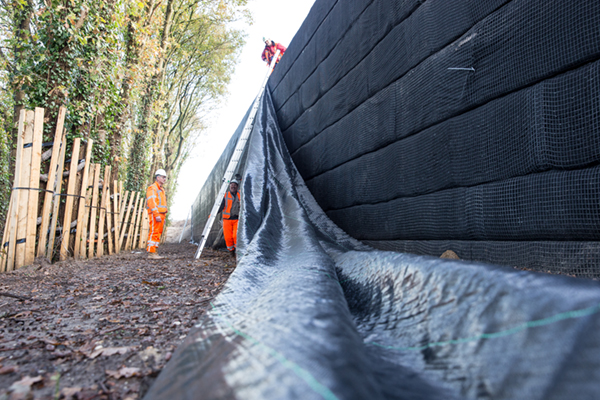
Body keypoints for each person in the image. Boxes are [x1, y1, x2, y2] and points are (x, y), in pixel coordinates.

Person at [146, 169, 168, 259]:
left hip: (161, 214)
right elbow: (152, 202)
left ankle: (154, 251)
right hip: (156, 214)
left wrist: (163, 216)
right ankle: (151, 253)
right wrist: (156, 214)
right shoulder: (153, 188)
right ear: (158, 177)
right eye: (163, 177)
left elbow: (162, 204)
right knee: (154, 232)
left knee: (158, 233)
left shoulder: (161, 189)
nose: (164, 179)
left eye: (165, 177)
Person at [218, 179, 241, 255]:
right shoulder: (225, 195)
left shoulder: (240, 194)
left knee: (236, 235)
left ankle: (237, 251)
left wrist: (241, 179)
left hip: (237, 219)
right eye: (232, 184)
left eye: (235, 185)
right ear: (229, 186)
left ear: (237, 186)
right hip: (226, 220)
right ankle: (231, 251)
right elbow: (220, 206)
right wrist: (212, 214)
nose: (233, 186)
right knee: (228, 237)